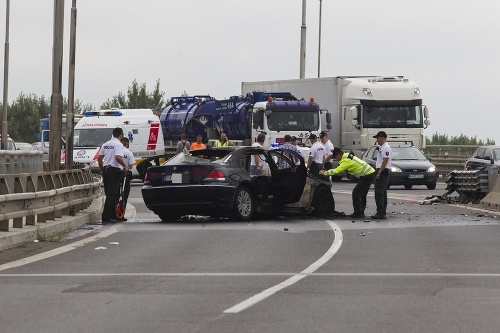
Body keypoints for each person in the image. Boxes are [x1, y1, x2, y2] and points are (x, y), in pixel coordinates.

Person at [320, 148, 376, 218]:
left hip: (367, 175)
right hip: (369, 173)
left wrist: (325, 173)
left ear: (339, 154)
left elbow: (337, 171)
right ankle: (360, 212)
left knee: (356, 193)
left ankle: (358, 213)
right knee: (362, 194)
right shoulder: (347, 156)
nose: (336, 159)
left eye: (335, 157)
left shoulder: (346, 161)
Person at [98, 127, 128, 224]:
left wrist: (102, 169)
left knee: (109, 194)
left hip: (106, 170)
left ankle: (112, 215)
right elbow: (118, 157)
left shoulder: (106, 144)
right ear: (120, 135)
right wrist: (125, 166)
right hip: (114, 171)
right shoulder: (118, 144)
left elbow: (99, 158)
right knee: (113, 195)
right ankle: (107, 216)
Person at [372, 131, 392, 219]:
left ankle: (380, 212)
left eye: (378, 138)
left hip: (383, 171)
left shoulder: (386, 147)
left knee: (379, 193)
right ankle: (382, 212)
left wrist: (379, 172)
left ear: (382, 138)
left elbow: (385, 160)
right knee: (382, 193)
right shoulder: (382, 147)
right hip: (382, 170)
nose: (377, 140)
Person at [117, 137, 135, 221]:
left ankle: (113, 213)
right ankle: (121, 214)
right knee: (124, 195)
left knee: (115, 194)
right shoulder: (129, 153)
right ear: (127, 144)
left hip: (116, 174)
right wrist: (126, 166)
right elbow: (131, 166)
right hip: (125, 175)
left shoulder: (116, 151)